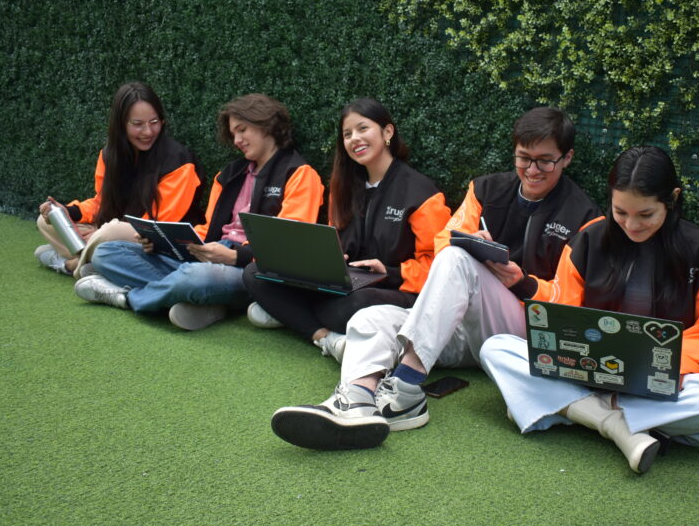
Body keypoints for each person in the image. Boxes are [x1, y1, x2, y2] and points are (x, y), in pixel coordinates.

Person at [270, 107, 601, 451]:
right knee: (369, 317)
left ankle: (407, 385)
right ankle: (357, 398)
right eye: (524, 158)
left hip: (517, 335)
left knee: (457, 258)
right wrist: (474, 244)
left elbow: (568, 306)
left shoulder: (584, 216)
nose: (532, 170)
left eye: (545, 161)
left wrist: (523, 283)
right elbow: (445, 240)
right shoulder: (486, 188)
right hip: (456, 328)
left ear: (567, 158)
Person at [480, 146, 699, 474]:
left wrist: (673, 368)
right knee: (496, 349)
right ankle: (615, 425)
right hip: (584, 370)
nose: (632, 225)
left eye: (645, 214)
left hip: (656, 381)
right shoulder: (588, 240)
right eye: (620, 212)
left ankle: (568, 409)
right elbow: (563, 309)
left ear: (672, 199)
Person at [71, 94, 324, 330]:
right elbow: (208, 229)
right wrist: (167, 243)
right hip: (209, 255)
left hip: (250, 269)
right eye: (233, 134)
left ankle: (128, 297)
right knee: (107, 253)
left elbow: (287, 243)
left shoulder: (300, 174)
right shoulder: (228, 175)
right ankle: (203, 301)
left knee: (195, 276)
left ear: (266, 124)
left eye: (242, 130)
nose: (237, 140)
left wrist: (235, 256)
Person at [242, 97, 451, 349]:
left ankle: (290, 314)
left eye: (363, 128)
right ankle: (324, 336)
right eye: (347, 134)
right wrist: (325, 260)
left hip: (395, 290)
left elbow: (439, 266)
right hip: (345, 282)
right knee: (255, 273)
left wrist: (390, 272)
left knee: (352, 306)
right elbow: (336, 244)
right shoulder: (344, 188)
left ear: (387, 132)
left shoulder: (421, 193)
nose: (355, 139)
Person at [35, 82, 205, 278]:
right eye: (138, 124)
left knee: (110, 232)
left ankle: (72, 265)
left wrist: (106, 234)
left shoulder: (180, 161)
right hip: (114, 232)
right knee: (47, 220)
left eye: (154, 122)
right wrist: (67, 212)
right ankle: (95, 259)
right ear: (121, 124)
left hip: (153, 239)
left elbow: (157, 226)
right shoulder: (109, 155)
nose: (148, 132)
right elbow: (101, 202)